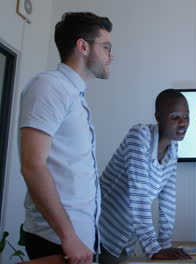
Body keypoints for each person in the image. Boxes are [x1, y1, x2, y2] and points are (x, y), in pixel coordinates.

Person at [19, 12, 113, 264]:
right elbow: (32, 165)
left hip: (77, 239)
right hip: (57, 239)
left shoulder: (74, 95)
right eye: (106, 47)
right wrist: (68, 236)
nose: (110, 56)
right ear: (83, 46)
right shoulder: (49, 86)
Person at [98, 89, 191, 264]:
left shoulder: (173, 149)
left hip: (125, 239)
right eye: (174, 117)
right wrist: (153, 248)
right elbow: (139, 195)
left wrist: (164, 243)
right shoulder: (139, 135)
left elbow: (168, 198)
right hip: (101, 232)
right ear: (158, 117)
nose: (182, 123)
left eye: (186, 116)